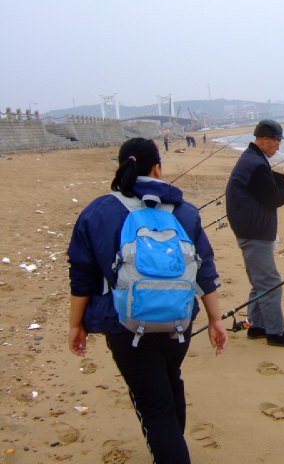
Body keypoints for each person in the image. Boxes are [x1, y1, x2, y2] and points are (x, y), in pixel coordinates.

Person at [67, 137, 228, 464]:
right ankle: (172, 444)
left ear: (122, 167)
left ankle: (170, 451)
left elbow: (82, 275)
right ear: (157, 168)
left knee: (153, 409)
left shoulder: (98, 212)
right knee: (170, 381)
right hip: (179, 320)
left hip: (125, 325)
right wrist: (216, 319)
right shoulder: (185, 212)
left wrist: (76, 324)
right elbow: (204, 269)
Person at [225, 120, 284, 347]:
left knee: (260, 281)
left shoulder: (254, 159)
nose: (278, 147)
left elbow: (272, 179)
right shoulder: (255, 163)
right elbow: (274, 198)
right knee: (270, 281)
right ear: (264, 140)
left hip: (251, 228)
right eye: (277, 142)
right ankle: (276, 333)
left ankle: (256, 327)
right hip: (254, 231)